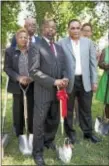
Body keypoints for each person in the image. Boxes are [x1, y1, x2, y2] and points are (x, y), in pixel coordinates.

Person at [28, 19, 69, 166]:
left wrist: (64, 77)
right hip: (43, 91)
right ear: (42, 28)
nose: (51, 30)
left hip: (58, 92)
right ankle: (37, 153)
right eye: (48, 27)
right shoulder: (35, 45)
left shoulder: (58, 47)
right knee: (39, 123)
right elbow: (33, 71)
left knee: (54, 119)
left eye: (53, 27)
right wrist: (53, 81)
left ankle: (48, 140)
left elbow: (63, 66)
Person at [58, 19, 101, 144]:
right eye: (73, 28)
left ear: (80, 29)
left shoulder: (88, 43)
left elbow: (93, 64)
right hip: (68, 81)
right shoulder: (61, 43)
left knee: (86, 108)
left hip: (85, 80)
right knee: (69, 109)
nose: (76, 30)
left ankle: (88, 132)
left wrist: (94, 81)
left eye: (78, 28)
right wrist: (62, 79)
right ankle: (70, 133)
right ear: (68, 29)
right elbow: (60, 64)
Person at [4, 28, 34, 154]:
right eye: (21, 37)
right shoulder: (10, 51)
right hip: (17, 85)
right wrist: (18, 78)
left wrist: (31, 78)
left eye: (25, 37)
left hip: (31, 85)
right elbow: (7, 68)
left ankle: (31, 132)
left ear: (28, 39)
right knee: (18, 109)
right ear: (16, 39)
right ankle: (20, 133)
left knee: (31, 108)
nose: (23, 39)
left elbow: (36, 66)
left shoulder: (32, 51)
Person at [96, 42, 109, 119]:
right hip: (107, 78)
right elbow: (100, 64)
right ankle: (107, 120)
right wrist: (106, 65)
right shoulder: (105, 50)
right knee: (107, 102)